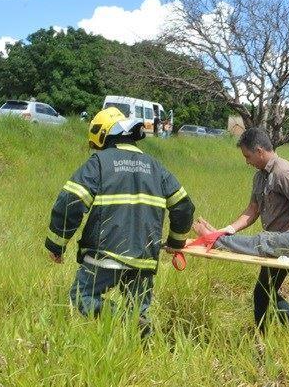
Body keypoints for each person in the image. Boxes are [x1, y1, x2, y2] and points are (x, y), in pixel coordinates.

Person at [45, 107, 195, 335]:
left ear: (102, 135)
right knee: (139, 310)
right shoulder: (156, 167)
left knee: (82, 296)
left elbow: (70, 202)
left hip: (104, 256)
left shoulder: (99, 163)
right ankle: (142, 349)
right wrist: (176, 243)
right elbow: (183, 205)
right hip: (144, 258)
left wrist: (56, 245)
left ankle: (124, 319)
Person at [214, 127, 289, 333]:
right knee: (266, 292)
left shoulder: (283, 171)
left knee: (262, 293)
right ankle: (287, 331)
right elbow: (253, 209)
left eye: (248, 156)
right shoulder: (259, 177)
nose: (247, 161)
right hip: (270, 246)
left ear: (260, 151)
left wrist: (287, 239)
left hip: (284, 247)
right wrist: (228, 229)